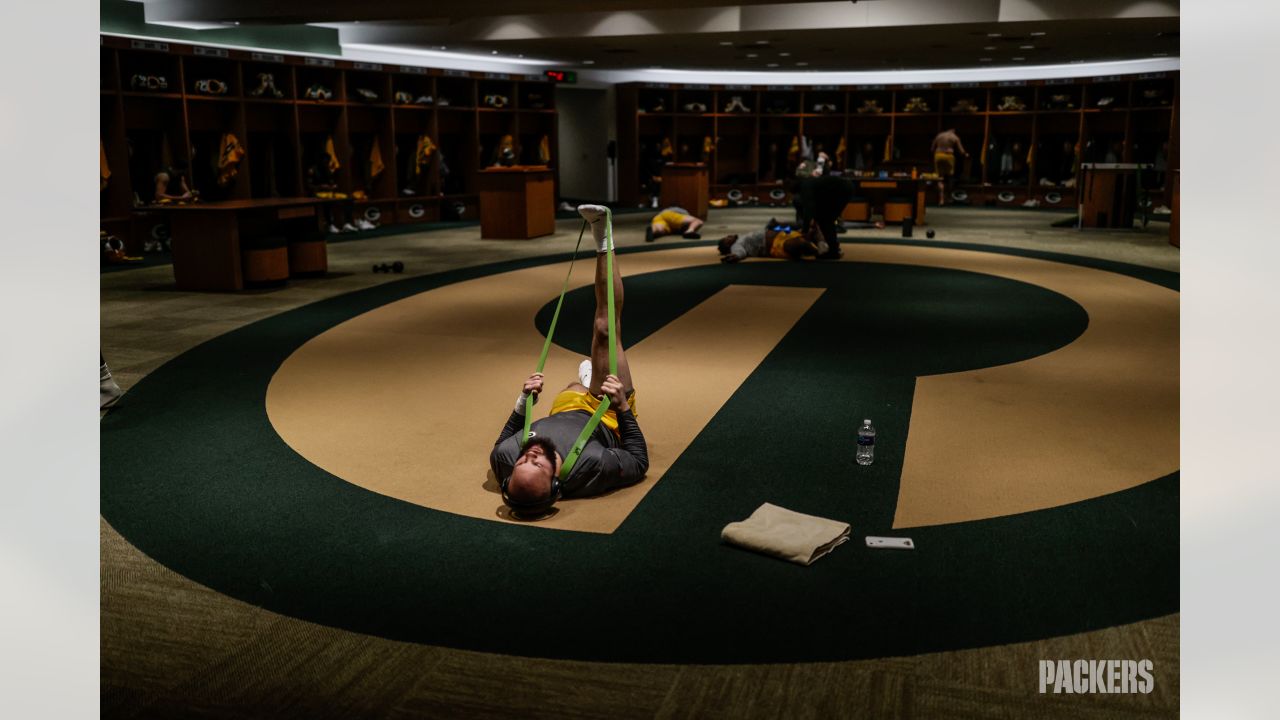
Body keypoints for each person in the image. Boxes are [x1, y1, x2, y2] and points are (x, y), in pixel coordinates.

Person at [490, 205, 649, 517]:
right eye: (536, 462)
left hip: (564, 406)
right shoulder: (591, 468)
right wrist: (624, 407)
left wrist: (524, 399)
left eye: (522, 461)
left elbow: (504, 440)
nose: (529, 455)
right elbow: (640, 460)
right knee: (605, 329)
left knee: (577, 383)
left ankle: (585, 379)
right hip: (606, 413)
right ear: (554, 484)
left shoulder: (506, 459)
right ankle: (604, 235)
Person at [715, 220, 829, 263]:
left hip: (782, 234)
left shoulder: (741, 236)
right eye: (726, 240)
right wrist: (734, 256)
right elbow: (739, 252)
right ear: (728, 245)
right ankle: (818, 251)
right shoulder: (736, 245)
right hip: (776, 246)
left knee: (814, 229)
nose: (729, 236)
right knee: (799, 243)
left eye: (727, 236)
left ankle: (821, 245)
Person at [305, 161, 362, 233]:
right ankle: (330, 225)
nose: (327, 163)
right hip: (317, 193)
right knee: (327, 203)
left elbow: (331, 181)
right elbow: (309, 186)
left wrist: (332, 185)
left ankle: (347, 223)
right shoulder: (312, 170)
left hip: (329, 192)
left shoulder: (328, 169)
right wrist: (320, 187)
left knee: (348, 199)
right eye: (325, 160)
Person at [930, 128, 969, 206]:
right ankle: (949, 198)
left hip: (938, 155)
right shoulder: (954, 137)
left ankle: (941, 200)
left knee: (940, 178)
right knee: (950, 177)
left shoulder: (939, 135)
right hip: (949, 156)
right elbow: (961, 150)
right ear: (953, 131)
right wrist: (965, 154)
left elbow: (932, 148)